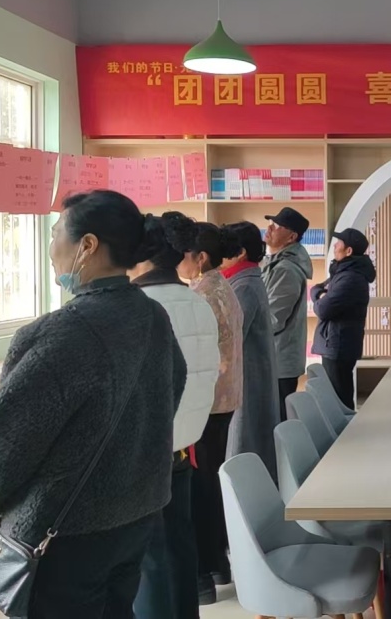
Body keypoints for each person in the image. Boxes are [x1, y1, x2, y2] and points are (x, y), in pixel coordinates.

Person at [0, 190, 186, 618]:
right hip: (136, 511)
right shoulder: (152, 315)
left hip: (66, 530)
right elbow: (170, 392)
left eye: (56, 233)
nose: (51, 247)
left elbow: (3, 439)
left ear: (88, 245)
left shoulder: (62, 333)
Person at [128, 214, 221, 619]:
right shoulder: (197, 302)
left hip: (146, 449)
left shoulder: (141, 307)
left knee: (149, 557)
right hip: (183, 443)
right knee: (179, 545)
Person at [165, 213, 244, 605]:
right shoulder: (221, 286)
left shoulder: (201, 295)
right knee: (209, 483)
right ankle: (217, 565)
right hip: (222, 401)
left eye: (183, 254)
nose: (177, 261)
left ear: (200, 257)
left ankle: (205, 574)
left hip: (206, 404)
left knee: (200, 489)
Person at [219, 221, 279, 476]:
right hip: (251, 372)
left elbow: (231, 337)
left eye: (224, 250)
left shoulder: (243, 285)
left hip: (247, 375)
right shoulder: (245, 280)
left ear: (240, 252)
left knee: (246, 443)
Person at [311, 228, 376, 410]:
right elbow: (318, 290)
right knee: (336, 397)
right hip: (336, 343)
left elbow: (323, 309)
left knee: (339, 401)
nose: (334, 247)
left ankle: (346, 428)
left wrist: (319, 297)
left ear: (348, 251)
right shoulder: (343, 272)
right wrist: (320, 295)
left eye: (338, 243)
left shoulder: (350, 278)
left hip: (338, 344)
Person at [262, 207, 314, 421]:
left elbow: (274, 319)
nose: (269, 228)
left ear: (291, 237)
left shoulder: (286, 269)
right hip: (275, 357)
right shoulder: (274, 262)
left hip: (279, 360)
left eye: (277, 226)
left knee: (278, 421)